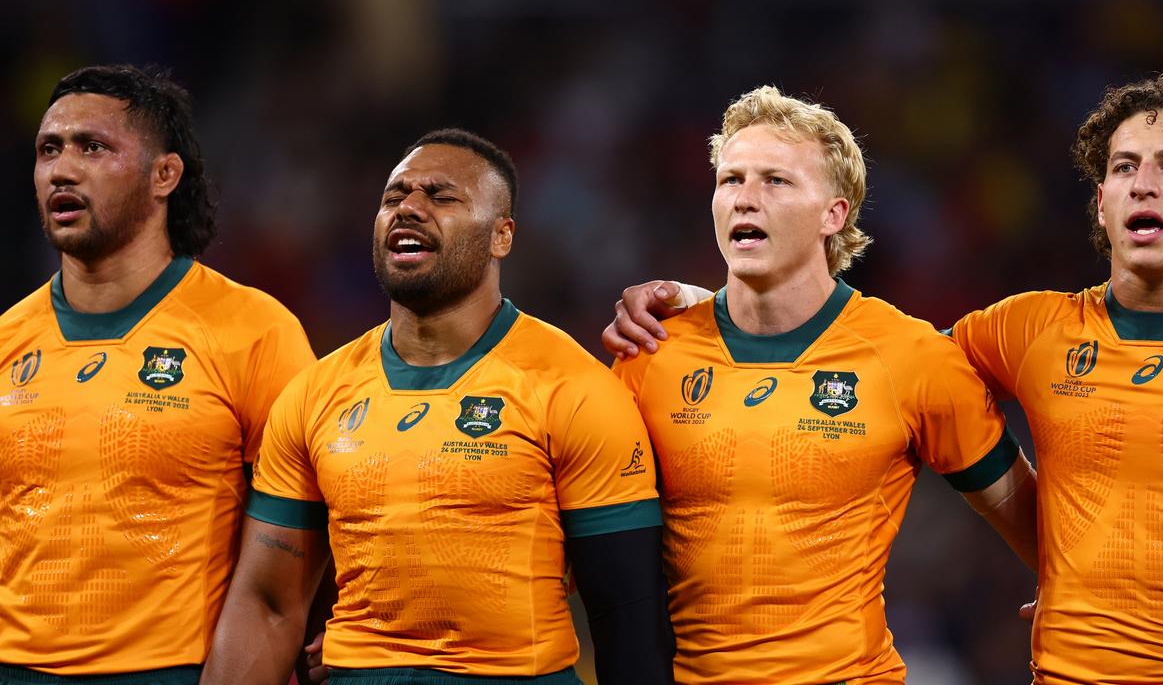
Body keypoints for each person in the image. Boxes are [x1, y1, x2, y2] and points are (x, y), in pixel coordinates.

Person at [606, 74, 1163, 684]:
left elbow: (901, 365)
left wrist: (1076, 575)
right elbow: (877, 355)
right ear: (1101, 202)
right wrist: (697, 301)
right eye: (1124, 168)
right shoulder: (1026, 331)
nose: (1143, 184)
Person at [200, 129, 673, 685]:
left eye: (442, 197)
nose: (409, 209)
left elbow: (627, 619)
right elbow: (268, 605)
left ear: (502, 236)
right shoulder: (314, 393)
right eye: (394, 197)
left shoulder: (575, 390)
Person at [606, 86, 1036, 685]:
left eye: (776, 181)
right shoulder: (650, 353)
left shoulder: (908, 356)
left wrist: (1077, 594)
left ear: (833, 214)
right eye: (731, 180)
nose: (745, 199)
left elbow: (1029, 515)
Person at [0, 65, 315, 683]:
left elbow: (305, 552)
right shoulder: (8, 339)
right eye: (48, 150)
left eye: (93, 147)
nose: (62, 168)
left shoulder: (253, 332)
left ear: (164, 175)